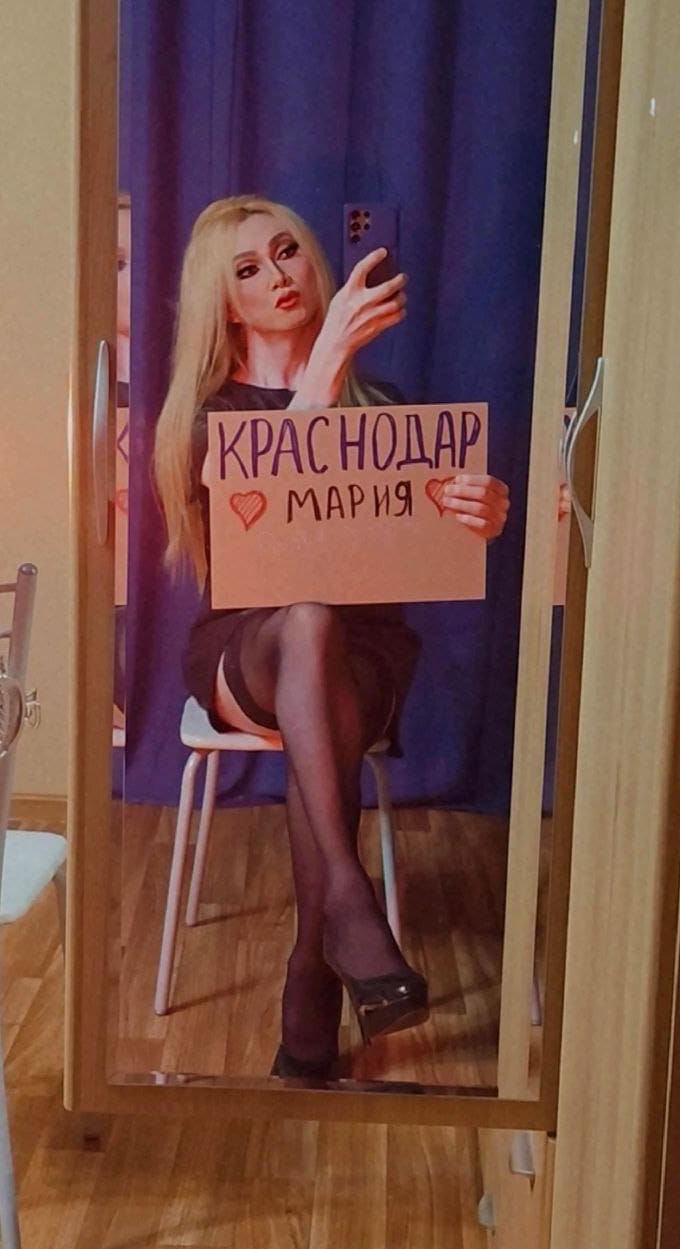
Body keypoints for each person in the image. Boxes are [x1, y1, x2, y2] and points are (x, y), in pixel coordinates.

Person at [153, 195, 509, 1079]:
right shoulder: (205, 414)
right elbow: (262, 542)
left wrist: (478, 516)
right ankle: (349, 906)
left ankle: (316, 966)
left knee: (326, 645)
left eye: (288, 252)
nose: (278, 276)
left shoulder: (382, 405)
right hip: (247, 647)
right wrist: (322, 372)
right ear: (224, 301)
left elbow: (414, 551)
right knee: (305, 620)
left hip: (365, 655)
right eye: (248, 269)